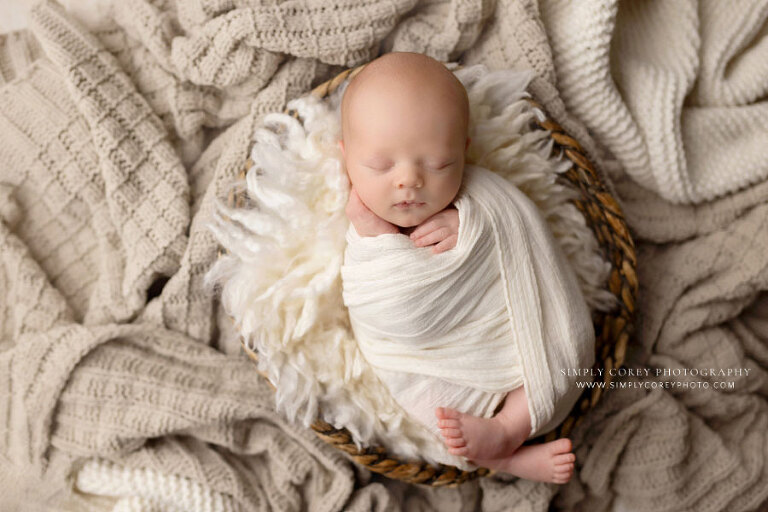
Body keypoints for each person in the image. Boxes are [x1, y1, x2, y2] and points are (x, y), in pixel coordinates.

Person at [338, 52, 579, 484]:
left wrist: (474, 225)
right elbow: (393, 314)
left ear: (464, 152)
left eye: (438, 163)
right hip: (428, 358)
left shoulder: (480, 195)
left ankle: (509, 430)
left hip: (509, 330)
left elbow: (520, 227)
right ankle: (504, 455)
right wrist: (377, 235)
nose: (409, 181)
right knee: (434, 412)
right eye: (379, 165)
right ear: (346, 156)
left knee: (566, 348)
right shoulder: (363, 222)